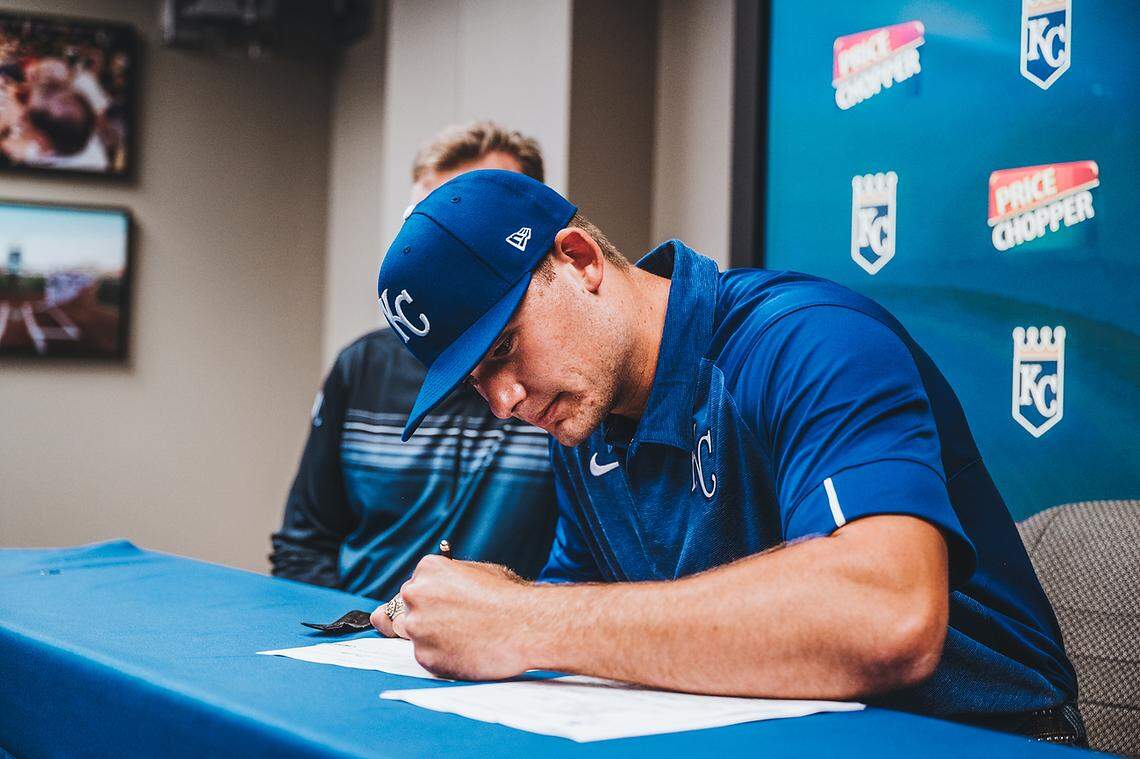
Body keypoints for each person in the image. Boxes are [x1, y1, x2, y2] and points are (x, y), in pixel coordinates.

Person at [369, 170, 1084, 744]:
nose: (504, 401)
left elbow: (886, 616)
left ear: (580, 260)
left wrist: (525, 619)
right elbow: (584, 626)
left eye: (503, 349)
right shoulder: (581, 423)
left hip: (980, 734)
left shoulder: (808, 340)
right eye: (476, 382)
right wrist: (481, 616)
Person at [270, 123, 557, 602]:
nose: (444, 236)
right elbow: (305, 545)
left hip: (506, 654)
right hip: (360, 639)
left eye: (469, 212)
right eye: (424, 215)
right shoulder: (362, 366)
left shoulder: (565, 381)